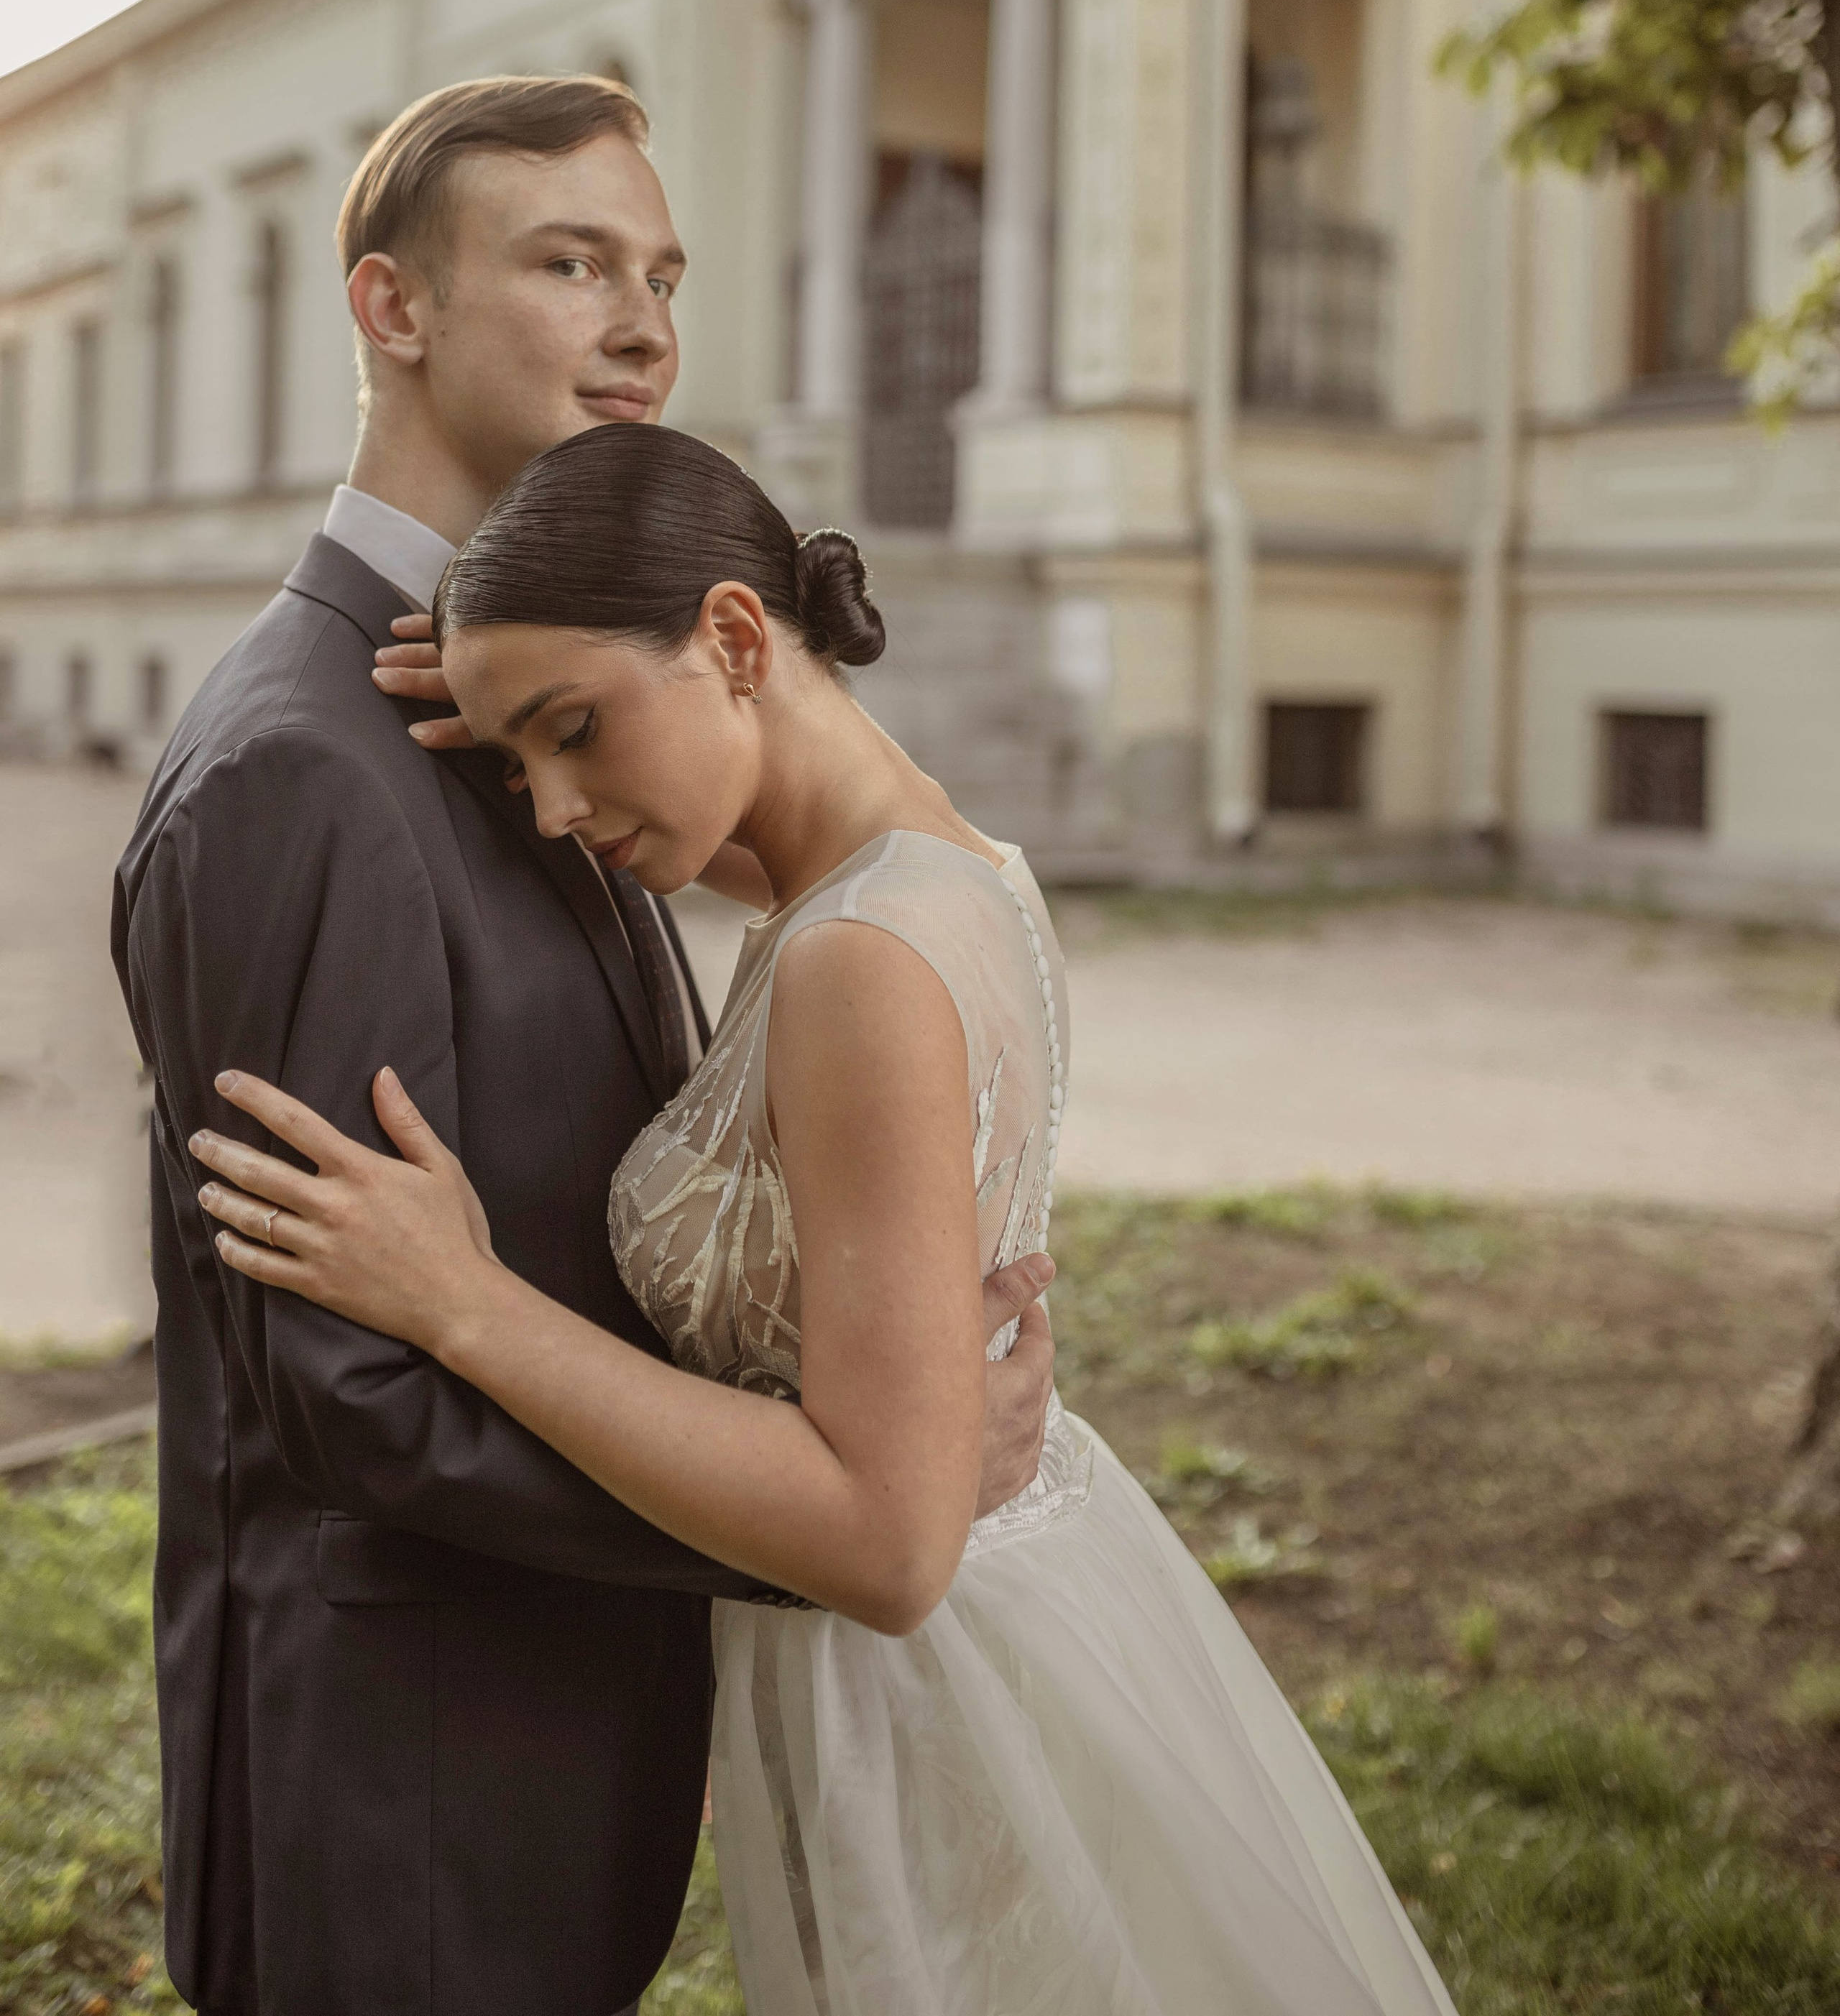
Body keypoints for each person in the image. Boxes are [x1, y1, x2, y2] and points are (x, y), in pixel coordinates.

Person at [188, 420, 1461, 2016]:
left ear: (733, 635)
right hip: (1030, 1613)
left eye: (575, 731)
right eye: (520, 764)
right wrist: (529, 686)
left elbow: (884, 1540)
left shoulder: (859, 964)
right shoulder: (939, 863)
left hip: (936, 1709)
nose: (553, 808)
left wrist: (464, 1301)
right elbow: (752, 848)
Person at [111, 76, 1055, 2016]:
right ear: (393, 309)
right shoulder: (305, 768)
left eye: (663, 273)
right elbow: (345, 1396)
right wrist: (841, 1513)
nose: (646, 325)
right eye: (569, 263)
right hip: (405, 1790)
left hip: (566, 1747)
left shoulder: (536, 719)